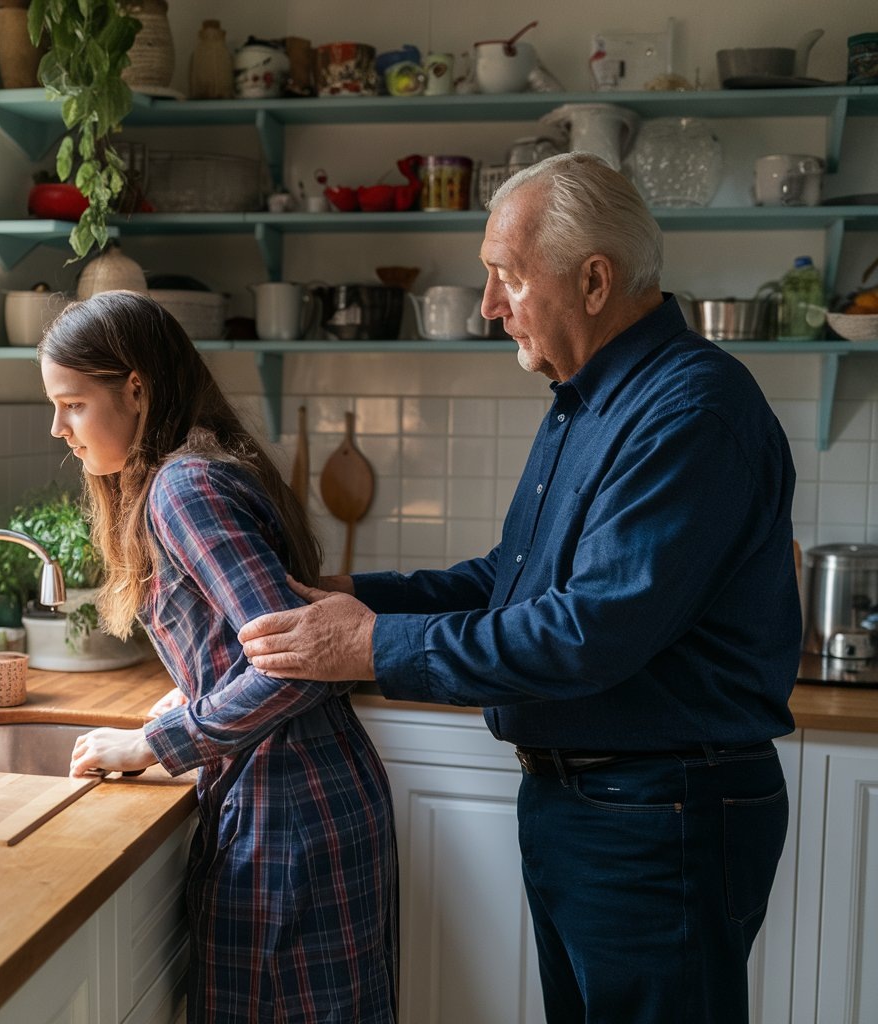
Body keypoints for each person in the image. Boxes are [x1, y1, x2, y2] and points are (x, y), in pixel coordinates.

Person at [238, 152, 802, 1024]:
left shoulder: (692, 412)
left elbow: (586, 633)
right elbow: (511, 584)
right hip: (591, 808)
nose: (490, 306)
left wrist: (367, 646)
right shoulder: (586, 396)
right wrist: (355, 593)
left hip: (660, 817)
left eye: (506, 277)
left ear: (594, 280)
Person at [37, 290, 398, 1024]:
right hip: (311, 800)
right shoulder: (199, 466)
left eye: (72, 404)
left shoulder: (182, 485)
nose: (58, 428)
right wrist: (200, 687)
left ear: (134, 387)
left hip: (291, 812)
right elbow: (260, 641)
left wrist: (153, 742)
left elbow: (295, 663)